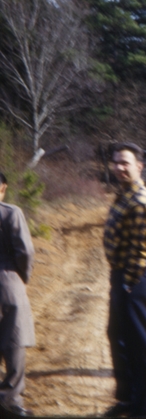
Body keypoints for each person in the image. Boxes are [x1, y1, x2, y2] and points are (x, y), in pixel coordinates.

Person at [102, 143, 146, 418]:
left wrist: (127, 283)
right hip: (121, 274)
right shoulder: (123, 194)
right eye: (116, 162)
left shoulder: (140, 202)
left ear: (140, 166)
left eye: (125, 163)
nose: (119, 167)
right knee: (118, 335)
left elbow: (141, 251)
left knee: (139, 342)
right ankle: (127, 399)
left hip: (132, 276)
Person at [0, 172, 35, 417]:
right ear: (3, 188)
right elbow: (25, 251)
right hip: (7, 277)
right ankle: (10, 399)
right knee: (13, 340)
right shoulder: (11, 213)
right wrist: (23, 277)